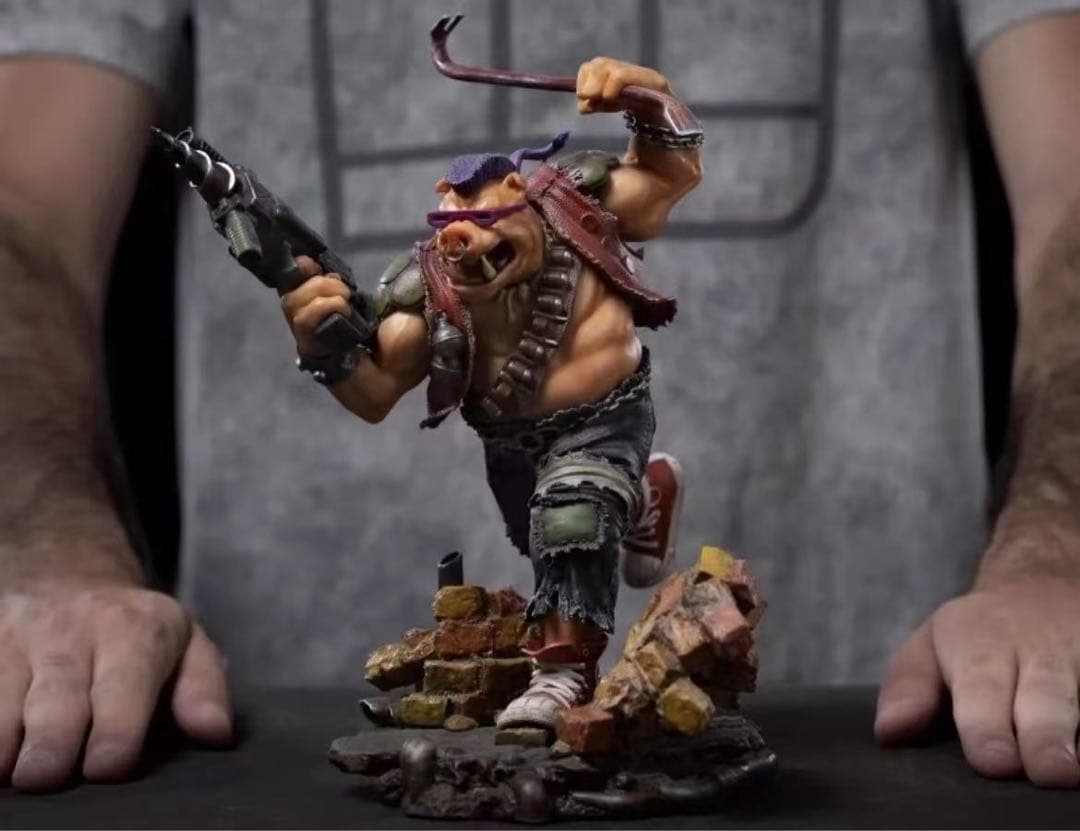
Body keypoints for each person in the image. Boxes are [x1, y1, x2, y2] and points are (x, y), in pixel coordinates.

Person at [2, 0, 1080, 794]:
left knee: (573, 519)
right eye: (457, 242)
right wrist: (322, 333)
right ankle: (639, 505)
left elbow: (671, 173)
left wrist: (646, 101)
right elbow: (375, 389)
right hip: (293, 712)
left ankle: (561, 673)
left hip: (637, 449)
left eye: (490, 235)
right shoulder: (424, 283)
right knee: (549, 528)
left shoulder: (577, 203)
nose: (474, 256)